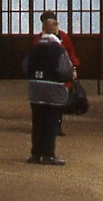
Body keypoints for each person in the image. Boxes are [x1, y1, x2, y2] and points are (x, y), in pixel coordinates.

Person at [21, 32, 74, 165]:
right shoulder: (59, 51)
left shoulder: (33, 50)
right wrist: (71, 75)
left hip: (35, 91)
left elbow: (25, 67)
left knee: (37, 122)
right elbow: (65, 71)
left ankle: (36, 153)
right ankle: (48, 155)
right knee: (51, 123)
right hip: (54, 91)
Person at [33, 11, 79, 134]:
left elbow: (71, 54)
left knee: (56, 104)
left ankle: (54, 125)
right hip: (57, 77)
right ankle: (51, 126)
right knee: (54, 103)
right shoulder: (39, 39)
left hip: (54, 77)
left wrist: (73, 66)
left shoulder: (63, 37)